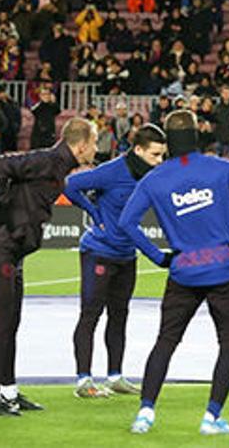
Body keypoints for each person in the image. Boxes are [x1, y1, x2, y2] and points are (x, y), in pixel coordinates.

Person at [116, 110, 229, 436]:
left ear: (169, 142)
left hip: (183, 272)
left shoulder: (154, 179)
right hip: (223, 269)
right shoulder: (220, 168)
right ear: (198, 134)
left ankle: (145, 413)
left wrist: (158, 257)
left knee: (166, 341)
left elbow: (127, 222)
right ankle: (211, 417)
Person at [0, 117, 98, 417]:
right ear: (81, 146)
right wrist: (7, 209)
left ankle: (8, 393)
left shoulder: (58, 164)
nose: (96, 147)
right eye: (94, 142)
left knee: (10, 325)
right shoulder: (49, 160)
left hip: (11, 252)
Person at [63, 124, 168, 399]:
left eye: (163, 156)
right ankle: (83, 380)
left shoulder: (153, 178)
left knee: (119, 316)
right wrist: (94, 213)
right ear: (139, 150)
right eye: (155, 155)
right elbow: (72, 186)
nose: (160, 161)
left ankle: (115, 376)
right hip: (99, 251)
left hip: (126, 254)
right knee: (90, 314)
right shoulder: (112, 171)